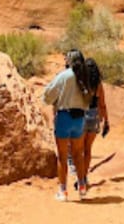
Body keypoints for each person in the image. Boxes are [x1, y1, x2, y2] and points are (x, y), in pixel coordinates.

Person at [42, 49, 93, 201]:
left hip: (64, 117)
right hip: (79, 118)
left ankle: (63, 191)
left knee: (62, 156)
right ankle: (82, 186)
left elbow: (49, 94)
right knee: (79, 154)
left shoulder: (64, 76)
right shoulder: (84, 76)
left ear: (69, 60)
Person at [80, 58, 109, 186]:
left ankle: (79, 176)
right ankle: (84, 177)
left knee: (78, 149)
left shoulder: (79, 83)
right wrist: (106, 120)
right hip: (93, 116)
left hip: (80, 115)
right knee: (87, 149)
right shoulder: (98, 85)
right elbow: (102, 104)